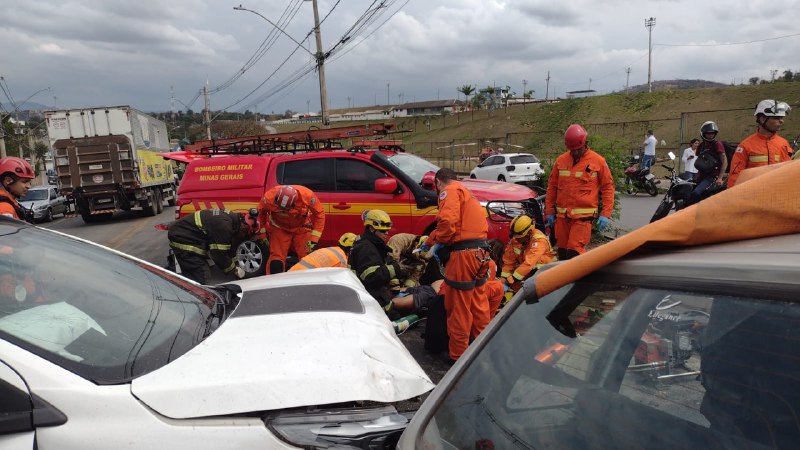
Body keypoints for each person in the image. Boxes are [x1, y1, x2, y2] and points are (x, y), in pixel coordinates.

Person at [417, 168, 491, 362]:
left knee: (458, 308)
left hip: (463, 257)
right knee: (478, 305)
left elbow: (448, 222)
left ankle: (458, 356)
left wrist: (438, 241)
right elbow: (459, 225)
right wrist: (431, 241)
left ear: (438, 182)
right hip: (480, 254)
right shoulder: (466, 193)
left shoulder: (448, 191)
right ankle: (482, 348)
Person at [545, 124, 615, 260]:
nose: (575, 152)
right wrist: (549, 211)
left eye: (578, 149)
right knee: (563, 252)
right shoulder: (561, 161)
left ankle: (577, 281)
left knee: (574, 252)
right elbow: (552, 187)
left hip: (583, 218)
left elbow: (608, 187)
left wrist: (606, 214)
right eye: (572, 150)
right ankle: (565, 281)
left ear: (585, 143)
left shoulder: (598, 161)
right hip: (562, 218)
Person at [167, 208, 259, 284]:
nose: (243, 238)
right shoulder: (224, 226)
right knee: (202, 274)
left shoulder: (232, 220)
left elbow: (230, 248)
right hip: (183, 238)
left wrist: (237, 264)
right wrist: (234, 270)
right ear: (244, 228)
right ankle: (198, 297)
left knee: (193, 274)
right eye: (246, 236)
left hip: (188, 235)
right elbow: (219, 255)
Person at [257, 185, 325, 274]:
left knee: (308, 257)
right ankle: (274, 283)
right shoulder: (269, 197)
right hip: (279, 228)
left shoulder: (307, 195)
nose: (283, 211)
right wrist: (262, 234)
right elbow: (260, 213)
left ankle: (310, 281)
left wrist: (314, 240)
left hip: (301, 227)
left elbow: (320, 215)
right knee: (276, 259)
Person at [349, 209, 403, 319]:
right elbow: (371, 277)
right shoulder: (366, 248)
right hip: (373, 304)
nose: (387, 233)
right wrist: (395, 268)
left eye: (387, 230)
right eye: (383, 231)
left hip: (378, 297)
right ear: (372, 228)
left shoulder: (374, 245)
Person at [727, 99, 792, 188]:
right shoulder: (745, 146)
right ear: (762, 119)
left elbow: (788, 172)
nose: (781, 121)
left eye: (782, 118)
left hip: (777, 194)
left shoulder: (783, 144)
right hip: (753, 195)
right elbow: (735, 176)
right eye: (776, 118)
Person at [501, 215, 557, 293]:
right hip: (527, 272)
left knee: (538, 261)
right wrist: (503, 278)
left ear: (529, 233)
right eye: (515, 237)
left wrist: (512, 280)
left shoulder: (539, 241)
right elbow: (508, 261)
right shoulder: (516, 239)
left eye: (519, 237)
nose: (516, 240)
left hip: (546, 272)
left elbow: (529, 263)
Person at [688, 121, 727, 205]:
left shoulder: (717, 145)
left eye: (712, 133)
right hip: (700, 176)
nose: (710, 135)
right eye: (708, 133)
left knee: (696, 193)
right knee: (688, 192)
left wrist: (720, 177)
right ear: (703, 134)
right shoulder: (701, 146)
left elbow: (724, 161)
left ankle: (695, 213)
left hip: (712, 177)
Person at [287, 232, 357, 272]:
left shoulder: (331, 249)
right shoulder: (342, 260)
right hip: (302, 278)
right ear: (351, 249)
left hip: (291, 273)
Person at [0, 157, 35, 222]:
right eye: (24, 181)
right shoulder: (5, 208)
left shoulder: (11, 202)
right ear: (8, 180)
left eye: (29, 182)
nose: (28, 186)